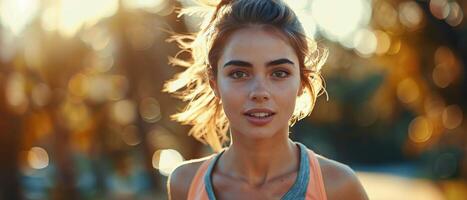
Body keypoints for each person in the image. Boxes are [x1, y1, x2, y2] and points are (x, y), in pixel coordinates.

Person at [164, 0, 369, 199]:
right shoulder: (185, 184)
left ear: (302, 82)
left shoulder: (338, 187)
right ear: (214, 83)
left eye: (279, 73)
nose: (259, 92)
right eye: (239, 74)